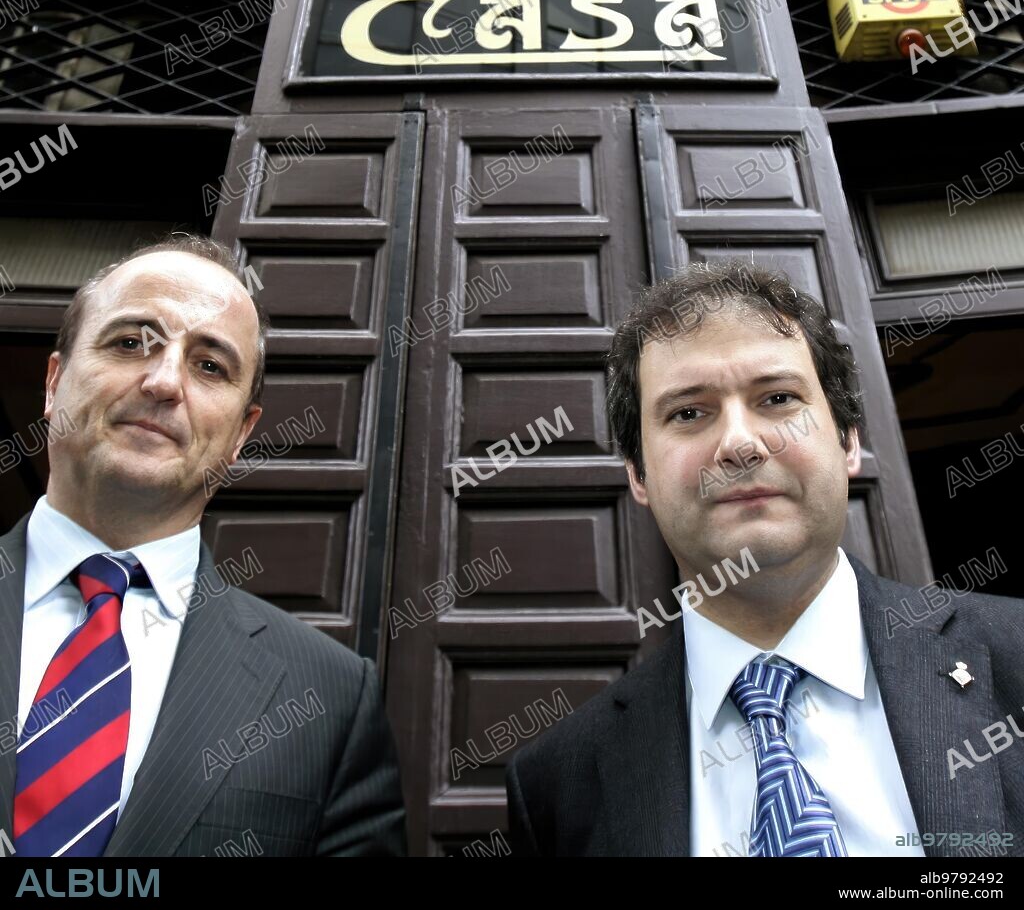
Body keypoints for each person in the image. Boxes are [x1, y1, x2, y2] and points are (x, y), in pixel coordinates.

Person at [505, 261, 1024, 857]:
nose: (740, 444)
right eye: (688, 412)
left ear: (848, 440)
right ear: (638, 475)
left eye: (778, 398)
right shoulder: (557, 786)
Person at [0, 234, 406, 857]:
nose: (164, 382)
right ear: (54, 383)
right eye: (131, 342)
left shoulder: (329, 700)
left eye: (210, 365)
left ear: (243, 433)